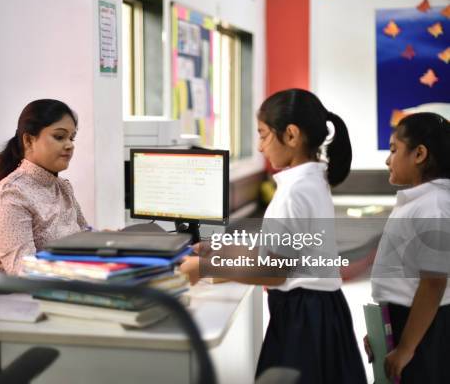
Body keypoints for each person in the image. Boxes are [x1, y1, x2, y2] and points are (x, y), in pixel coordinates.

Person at [180, 89, 366, 383]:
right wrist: (221, 250)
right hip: (320, 310)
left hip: (303, 318)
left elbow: (275, 271)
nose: (259, 146)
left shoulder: (295, 192)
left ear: (291, 135)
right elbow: (285, 251)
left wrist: (205, 267)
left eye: (264, 135)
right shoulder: (312, 180)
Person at [366, 112, 450, 383]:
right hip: (405, 321)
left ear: (419, 154)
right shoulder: (418, 202)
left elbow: (433, 283)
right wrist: (383, 331)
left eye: (393, 150)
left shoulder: (434, 206)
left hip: (424, 327)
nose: (387, 159)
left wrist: (406, 348)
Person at [0, 99, 88, 274]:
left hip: (61, 289)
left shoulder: (63, 187)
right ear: (29, 141)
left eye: (71, 138)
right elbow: (25, 272)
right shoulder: (11, 195)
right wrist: (83, 272)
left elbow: (85, 237)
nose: (70, 145)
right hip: (12, 296)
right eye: (59, 137)